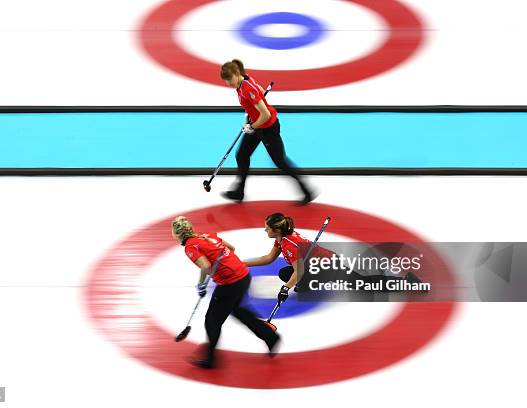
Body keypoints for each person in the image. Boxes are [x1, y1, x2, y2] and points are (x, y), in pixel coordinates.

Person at [171, 216, 280, 368]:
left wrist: (201, 285)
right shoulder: (208, 236)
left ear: (177, 234)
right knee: (238, 310)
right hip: (243, 275)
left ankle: (210, 359)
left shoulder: (190, 247)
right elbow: (232, 248)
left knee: (212, 320)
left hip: (230, 283)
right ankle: (271, 337)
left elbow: (204, 265)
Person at [244, 213, 424, 303]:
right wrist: (241, 262)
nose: (264, 230)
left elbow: (299, 271)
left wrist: (285, 288)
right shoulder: (281, 239)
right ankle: (307, 284)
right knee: (285, 271)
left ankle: (408, 282)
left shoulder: (290, 245)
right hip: (317, 264)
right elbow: (268, 258)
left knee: (362, 284)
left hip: (329, 265)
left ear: (276, 230)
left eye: (267, 228)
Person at [220, 59, 315, 205]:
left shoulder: (248, 88)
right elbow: (253, 101)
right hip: (257, 125)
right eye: (226, 81)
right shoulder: (241, 82)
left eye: (230, 79)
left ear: (237, 73)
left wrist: (252, 127)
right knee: (242, 155)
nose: (228, 83)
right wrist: (248, 117)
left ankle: (307, 190)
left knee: (280, 161)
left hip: (268, 128)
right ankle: (239, 192)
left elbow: (266, 115)